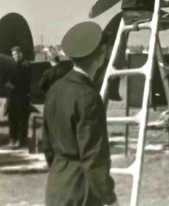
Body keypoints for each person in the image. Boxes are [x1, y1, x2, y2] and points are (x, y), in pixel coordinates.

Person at [42, 22, 118, 206]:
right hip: (82, 192)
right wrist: (109, 198)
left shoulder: (56, 89)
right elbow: (94, 158)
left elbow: (47, 145)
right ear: (100, 56)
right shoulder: (89, 97)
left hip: (57, 186)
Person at [5, 46, 32, 148]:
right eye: (13, 55)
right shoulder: (14, 66)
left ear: (20, 54)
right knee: (12, 118)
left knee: (22, 119)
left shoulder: (26, 66)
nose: (14, 57)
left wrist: (13, 85)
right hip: (13, 96)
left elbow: (25, 82)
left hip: (22, 96)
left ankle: (21, 141)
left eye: (15, 54)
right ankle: (13, 139)